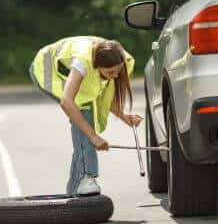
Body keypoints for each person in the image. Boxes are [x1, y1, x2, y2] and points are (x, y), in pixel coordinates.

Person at [29, 36, 143, 195]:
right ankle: (86, 177)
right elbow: (67, 101)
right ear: (98, 66)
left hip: (72, 71)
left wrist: (124, 116)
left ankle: (74, 190)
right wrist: (92, 135)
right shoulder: (83, 62)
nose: (116, 75)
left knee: (85, 112)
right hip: (46, 70)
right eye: (111, 72)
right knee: (83, 110)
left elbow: (105, 95)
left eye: (118, 71)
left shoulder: (121, 58)